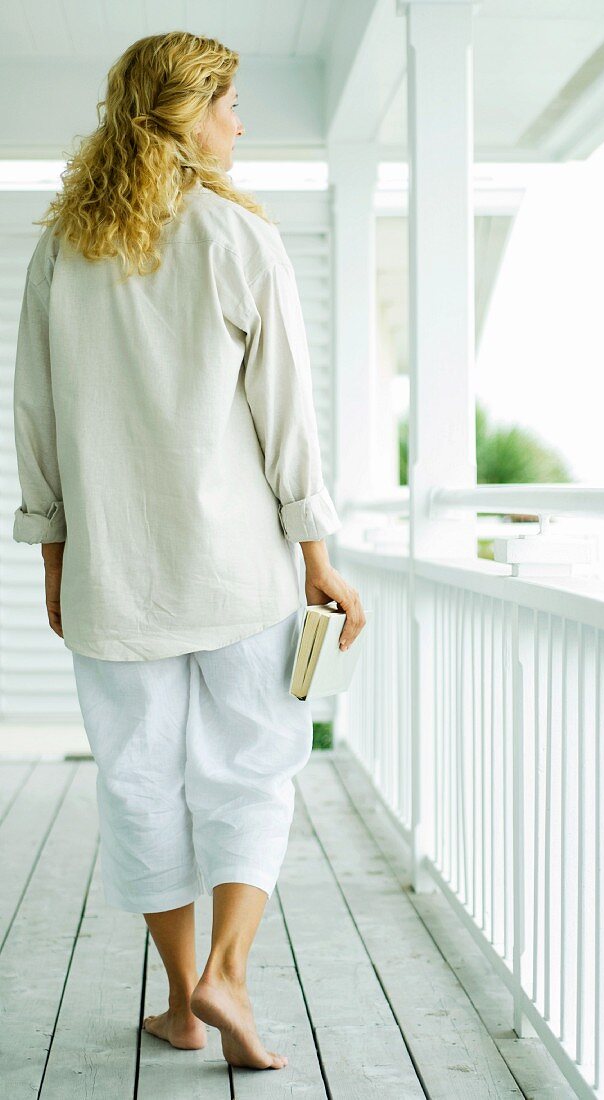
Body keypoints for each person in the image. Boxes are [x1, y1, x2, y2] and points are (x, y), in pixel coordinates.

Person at [11, 31, 365, 1071]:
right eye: (230, 104)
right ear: (187, 112)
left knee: (135, 782)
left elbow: (31, 420)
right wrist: (317, 556)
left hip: (113, 579)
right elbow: (287, 419)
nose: (240, 124)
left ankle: (179, 998)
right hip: (242, 577)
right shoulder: (237, 238)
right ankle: (229, 972)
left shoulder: (59, 250)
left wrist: (53, 557)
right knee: (252, 772)